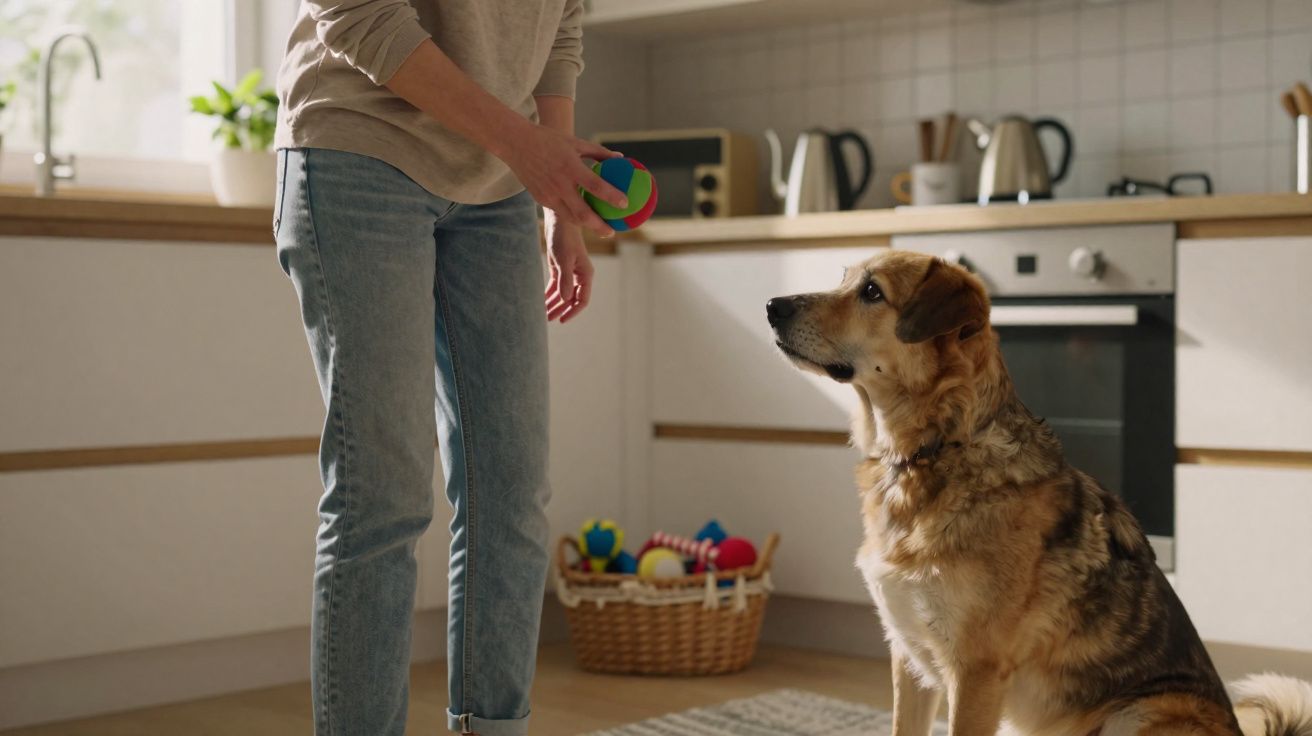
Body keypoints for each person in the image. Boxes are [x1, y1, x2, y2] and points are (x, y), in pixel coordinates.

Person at [272, 2, 626, 734]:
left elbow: (558, 28)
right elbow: (356, 14)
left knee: (511, 492)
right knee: (383, 493)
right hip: (359, 148)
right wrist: (528, 149)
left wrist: (556, 200)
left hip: (498, 186)